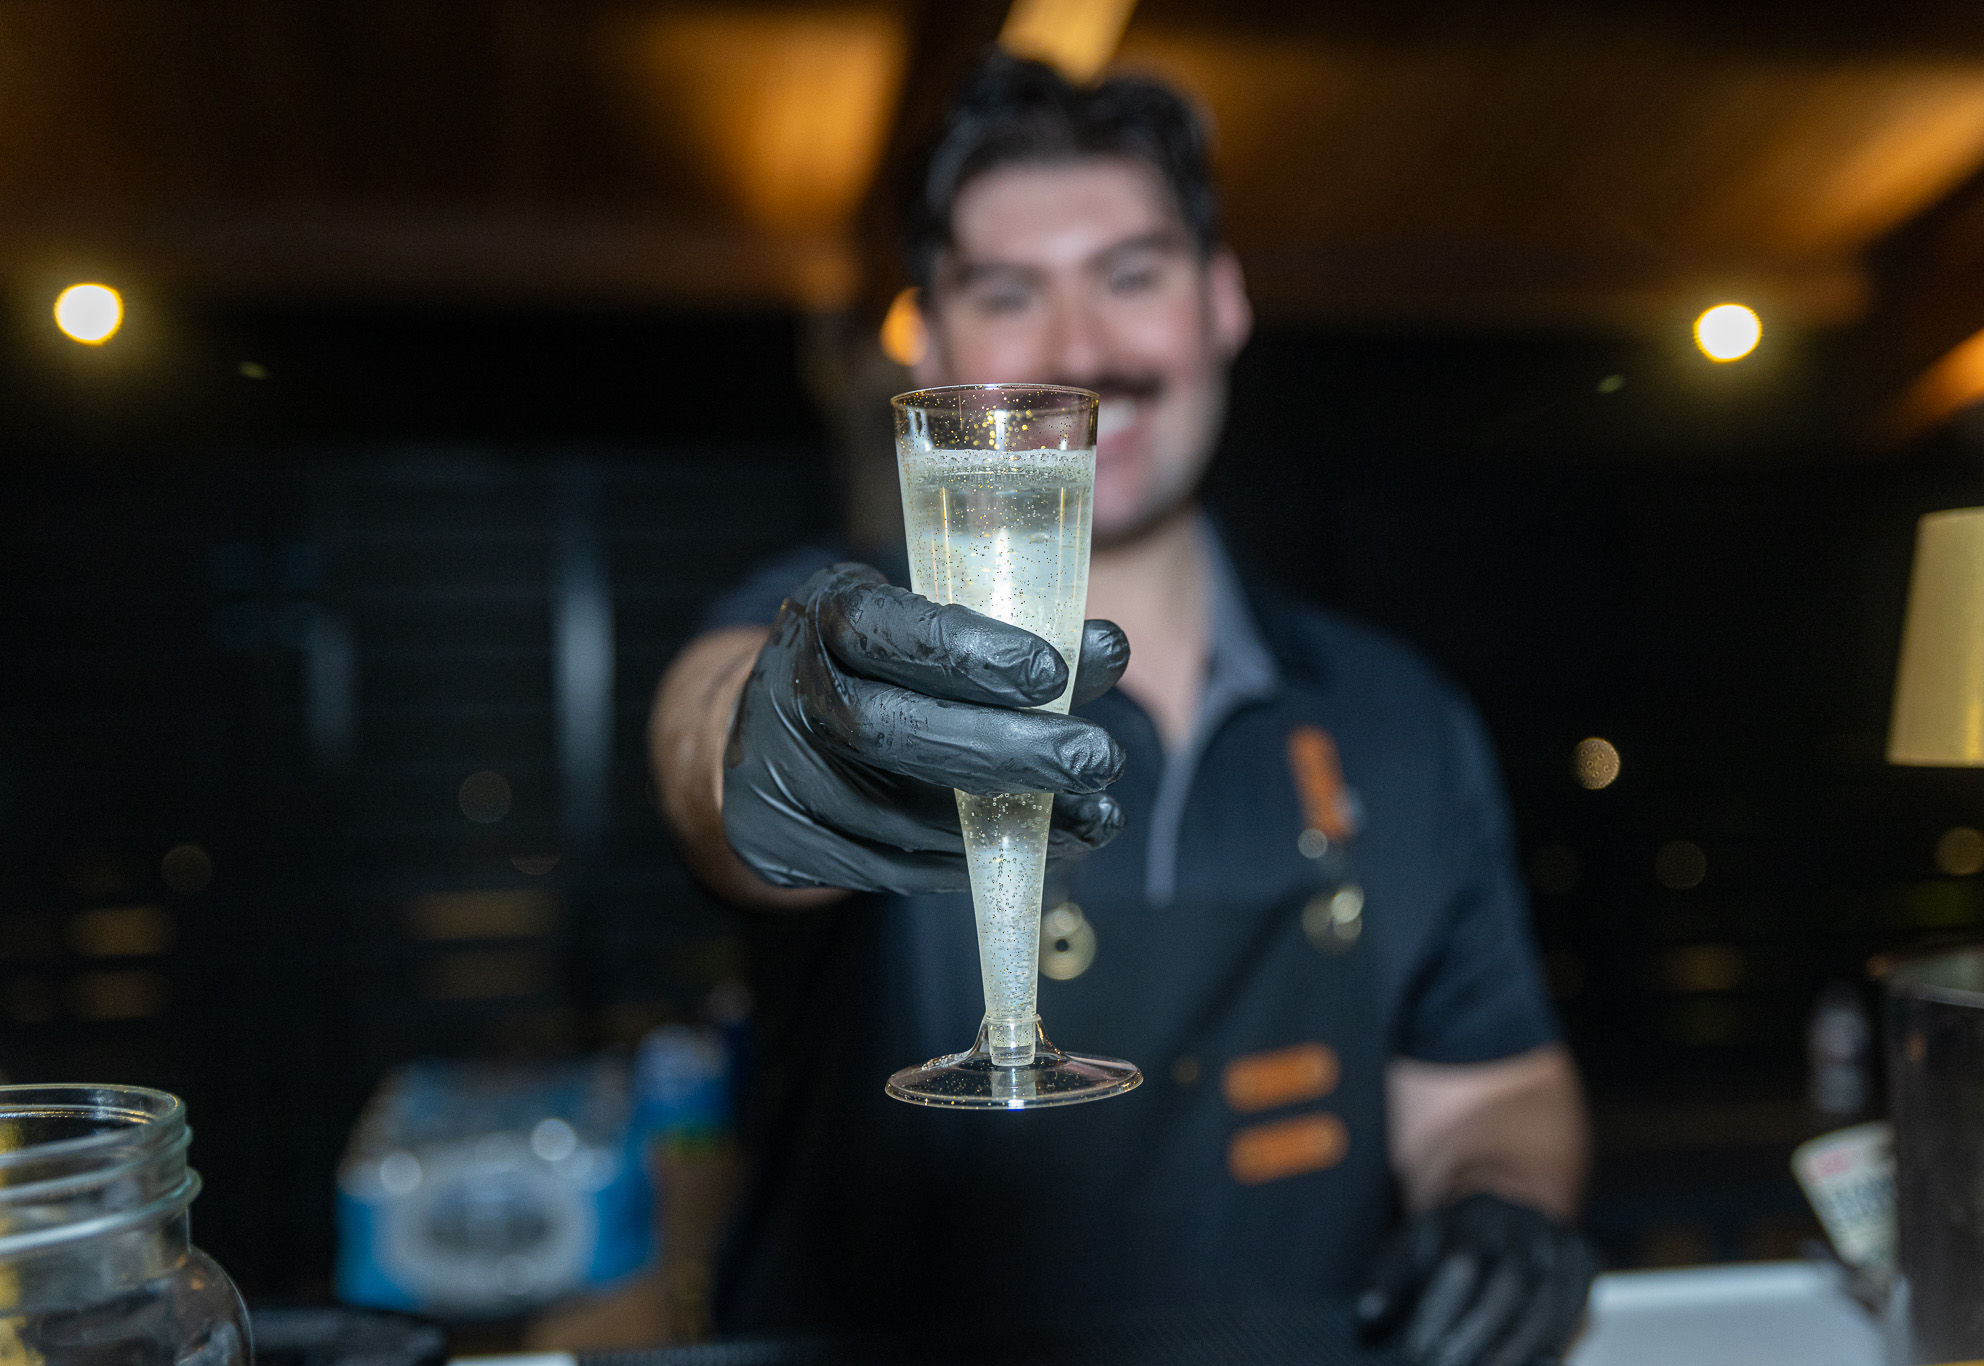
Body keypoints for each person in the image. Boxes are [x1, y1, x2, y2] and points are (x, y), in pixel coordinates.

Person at [649, 52, 1595, 1364]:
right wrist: (781, 742)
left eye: (1134, 275)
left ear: (1222, 301)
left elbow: (1494, 1088)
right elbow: (705, 737)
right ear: (929, 338)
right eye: (1008, 292)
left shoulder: (1398, 715)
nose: (1084, 348)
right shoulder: (836, 637)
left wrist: (1504, 1206)